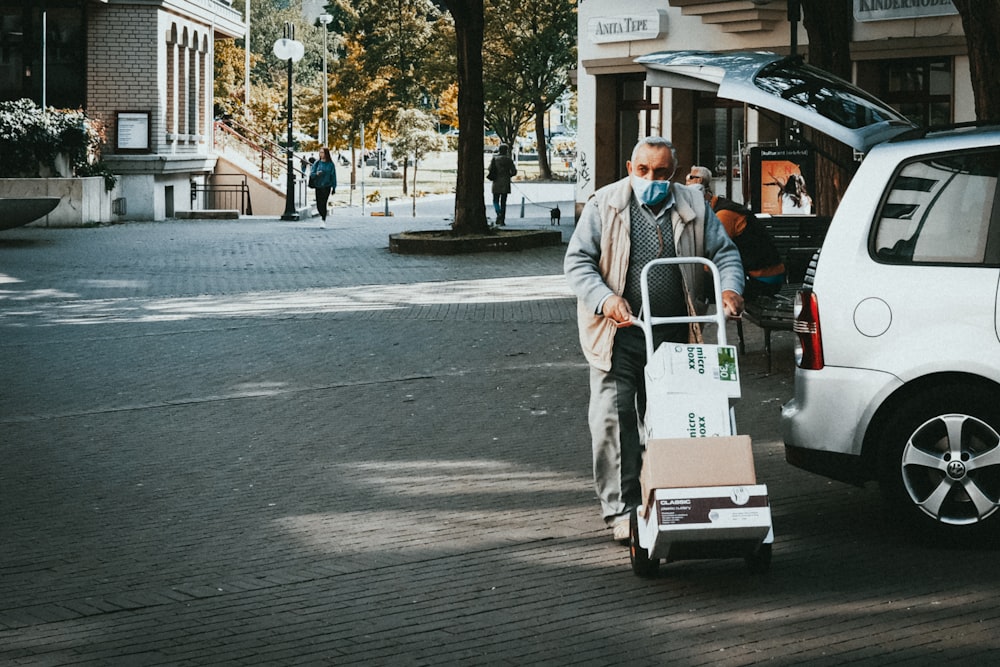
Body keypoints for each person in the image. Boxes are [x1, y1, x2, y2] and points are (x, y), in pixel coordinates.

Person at [564, 137, 745, 544]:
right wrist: (605, 298)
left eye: (662, 173)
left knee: (675, 418)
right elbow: (577, 262)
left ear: (675, 173)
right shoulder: (604, 204)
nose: (652, 179)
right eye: (644, 171)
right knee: (614, 420)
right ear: (630, 167)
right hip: (619, 332)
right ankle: (620, 509)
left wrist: (730, 289)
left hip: (677, 330)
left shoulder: (695, 205)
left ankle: (670, 495)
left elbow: (725, 254)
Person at [687, 166, 786, 299]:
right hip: (761, 274)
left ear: (700, 182)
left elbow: (717, 254)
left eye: (690, 177)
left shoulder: (724, 214)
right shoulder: (719, 207)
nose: (687, 179)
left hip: (762, 279)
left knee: (698, 281)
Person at [487, 144, 517, 226]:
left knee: (495, 200)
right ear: (506, 151)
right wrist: (509, 175)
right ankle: (502, 220)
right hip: (505, 182)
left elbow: (489, 169)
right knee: (503, 202)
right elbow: (514, 171)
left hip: (496, 182)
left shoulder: (495, 159)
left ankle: (498, 213)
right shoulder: (509, 160)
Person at [309, 147, 337, 228]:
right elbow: (312, 174)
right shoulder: (317, 163)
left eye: (322, 152)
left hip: (326, 186)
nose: (321, 154)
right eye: (320, 152)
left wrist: (334, 187)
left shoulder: (330, 164)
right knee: (319, 204)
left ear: (326, 154)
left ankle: (323, 219)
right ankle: (322, 214)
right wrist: (316, 174)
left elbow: (333, 176)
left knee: (324, 202)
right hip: (318, 186)